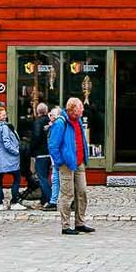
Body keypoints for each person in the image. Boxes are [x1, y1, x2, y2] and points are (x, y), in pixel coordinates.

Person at [51, 96, 93, 235]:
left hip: (79, 162)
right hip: (67, 163)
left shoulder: (78, 121)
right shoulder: (60, 123)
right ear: (72, 109)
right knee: (67, 194)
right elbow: (53, 145)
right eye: (80, 108)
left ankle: (80, 223)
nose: (82, 110)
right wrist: (60, 162)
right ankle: (65, 225)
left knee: (82, 192)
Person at [25, 102, 55, 210]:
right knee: (46, 177)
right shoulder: (50, 122)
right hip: (49, 153)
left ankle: (50, 200)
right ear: (46, 111)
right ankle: (44, 200)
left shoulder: (37, 122)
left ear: (37, 112)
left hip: (41, 154)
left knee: (42, 178)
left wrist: (31, 150)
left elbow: (36, 137)